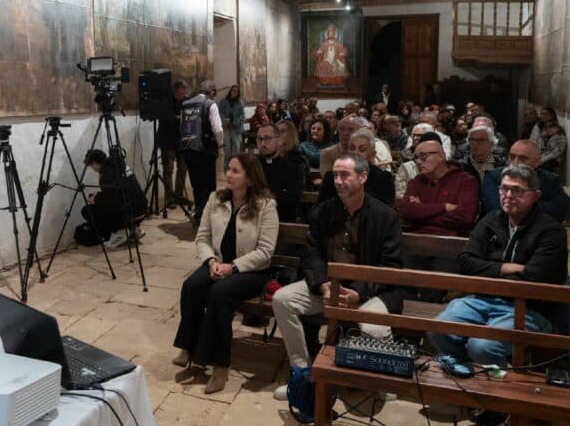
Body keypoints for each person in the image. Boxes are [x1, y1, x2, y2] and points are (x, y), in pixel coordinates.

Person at [428, 165, 568, 426]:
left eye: (517, 190)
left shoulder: (551, 232)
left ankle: (497, 397)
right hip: (482, 299)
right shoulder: (492, 220)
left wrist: (492, 273)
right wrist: (508, 268)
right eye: (504, 188)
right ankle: (470, 381)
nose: (508, 195)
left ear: (535, 195)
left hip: (528, 308)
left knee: (483, 346)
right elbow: (465, 262)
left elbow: (536, 278)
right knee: (439, 329)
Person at [272, 154, 404, 401]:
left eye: (346, 175)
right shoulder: (324, 211)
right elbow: (310, 254)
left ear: (363, 177)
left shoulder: (385, 216)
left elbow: (390, 266)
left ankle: (381, 382)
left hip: (370, 290)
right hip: (328, 286)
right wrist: (322, 285)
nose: (339, 181)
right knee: (282, 299)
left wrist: (358, 293)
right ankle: (301, 373)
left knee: (374, 329)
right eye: (335, 175)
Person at [173, 153, 279, 394]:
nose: (228, 175)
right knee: (192, 285)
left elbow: (265, 252)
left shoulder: (266, 206)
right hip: (217, 263)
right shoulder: (216, 199)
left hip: (250, 271)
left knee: (219, 293)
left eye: (234, 171)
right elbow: (202, 238)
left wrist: (234, 267)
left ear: (250, 178)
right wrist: (211, 261)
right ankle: (189, 347)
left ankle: (221, 365)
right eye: (228, 169)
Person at [400, 132, 479, 238]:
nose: (418, 162)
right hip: (416, 240)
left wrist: (422, 212)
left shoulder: (466, 181)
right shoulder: (416, 181)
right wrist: (445, 207)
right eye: (416, 158)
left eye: (423, 156)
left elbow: (465, 217)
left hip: (453, 243)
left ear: (441, 156)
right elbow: (407, 211)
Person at [481, 140, 570, 222]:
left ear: (537, 162)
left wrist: (516, 205)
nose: (515, 162)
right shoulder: (493, 176)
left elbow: (558, 212)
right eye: (512, 157)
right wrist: (533, 204)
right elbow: (495, 210)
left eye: (523, 158)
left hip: (539, 231)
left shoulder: (550, 180)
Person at [82, 148, 147, 247]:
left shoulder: (107, 173)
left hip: (130, 213)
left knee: (87, 211)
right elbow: (119, 192)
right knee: (103, 203)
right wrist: (99, 196)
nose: (93, 169)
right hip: (142, 209)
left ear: (94, 163)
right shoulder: (118, 164)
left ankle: (120, 233)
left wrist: (95, 199)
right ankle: (133, 229)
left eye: (91, 166)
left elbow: (112, 201)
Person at [180, 80, 224, 221]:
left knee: (196, 184)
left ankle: (199, 213)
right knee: (209, 184)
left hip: (188, 149)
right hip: (205, 150)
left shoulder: (185, 104)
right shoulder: (210, 104)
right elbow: (217, 128)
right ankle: (208, 216)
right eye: (214, 93)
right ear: (211, 92)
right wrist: (221, 145)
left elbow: (182, 126)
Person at [317, 129, 394, 207]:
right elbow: (316, 213)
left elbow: (387, 213)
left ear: (372, 155)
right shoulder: (331, 177)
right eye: (352, 148)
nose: (356, 153)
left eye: (362, 149)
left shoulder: (383, 178)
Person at [255, 125, 304, 222]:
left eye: (268, 138)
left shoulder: (293, 168)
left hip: (281, 221)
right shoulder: (251, 166)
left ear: (279, 140)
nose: (263, 143)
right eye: (259, 139)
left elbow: (291, 201)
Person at [158, 80, 191, 208]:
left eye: (184, 93)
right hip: (168, 140)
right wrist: (177, 117)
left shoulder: (186, 101)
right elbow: (165, 117)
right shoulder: (166, 102)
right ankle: (169, 198)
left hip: (181, 140)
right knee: (168, 170)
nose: (182, 96)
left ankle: (179, 195)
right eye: (180, 93)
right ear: (175, 91)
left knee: (183, 168)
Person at [217, 85, 246, 166]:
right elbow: (219, 112)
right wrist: (224, 119)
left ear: (238, 93)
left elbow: (242, 116)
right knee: (227, 148)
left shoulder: (240, 102)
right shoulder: (223, 101)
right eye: (233, 90)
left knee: (236, 147)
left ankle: (235, 164)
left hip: (236, 128)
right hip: (226, 127)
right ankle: (227, 165)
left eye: (236, 91)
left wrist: (235, 122)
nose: (234, 92)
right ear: (230, 91)